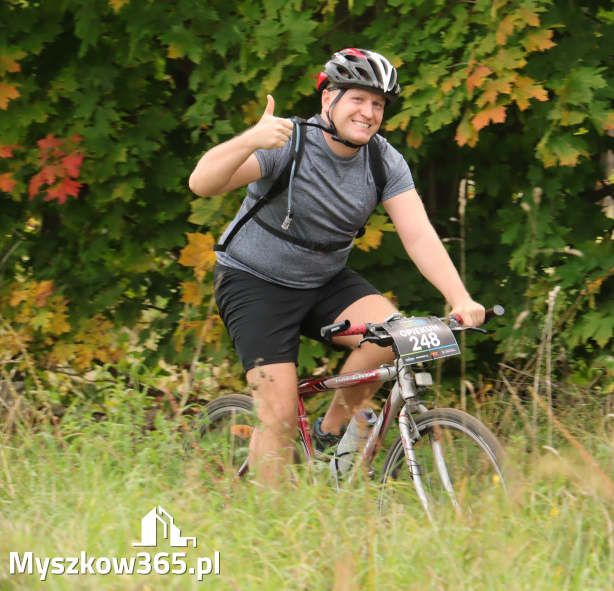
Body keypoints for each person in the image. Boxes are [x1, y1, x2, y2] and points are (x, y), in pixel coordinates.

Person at [189, 48, 486, 486]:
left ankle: (330, 438)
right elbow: (202, 184)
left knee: (394, 334)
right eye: (358, 100)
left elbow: (418, 233)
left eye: (379, 104)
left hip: (323, 280)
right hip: (254, 282)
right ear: (328, 99)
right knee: (279, 413)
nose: (369, 113)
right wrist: (250, 138)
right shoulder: (287, 141)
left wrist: (459, 297)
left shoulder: (383, 161)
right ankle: (268, 528)